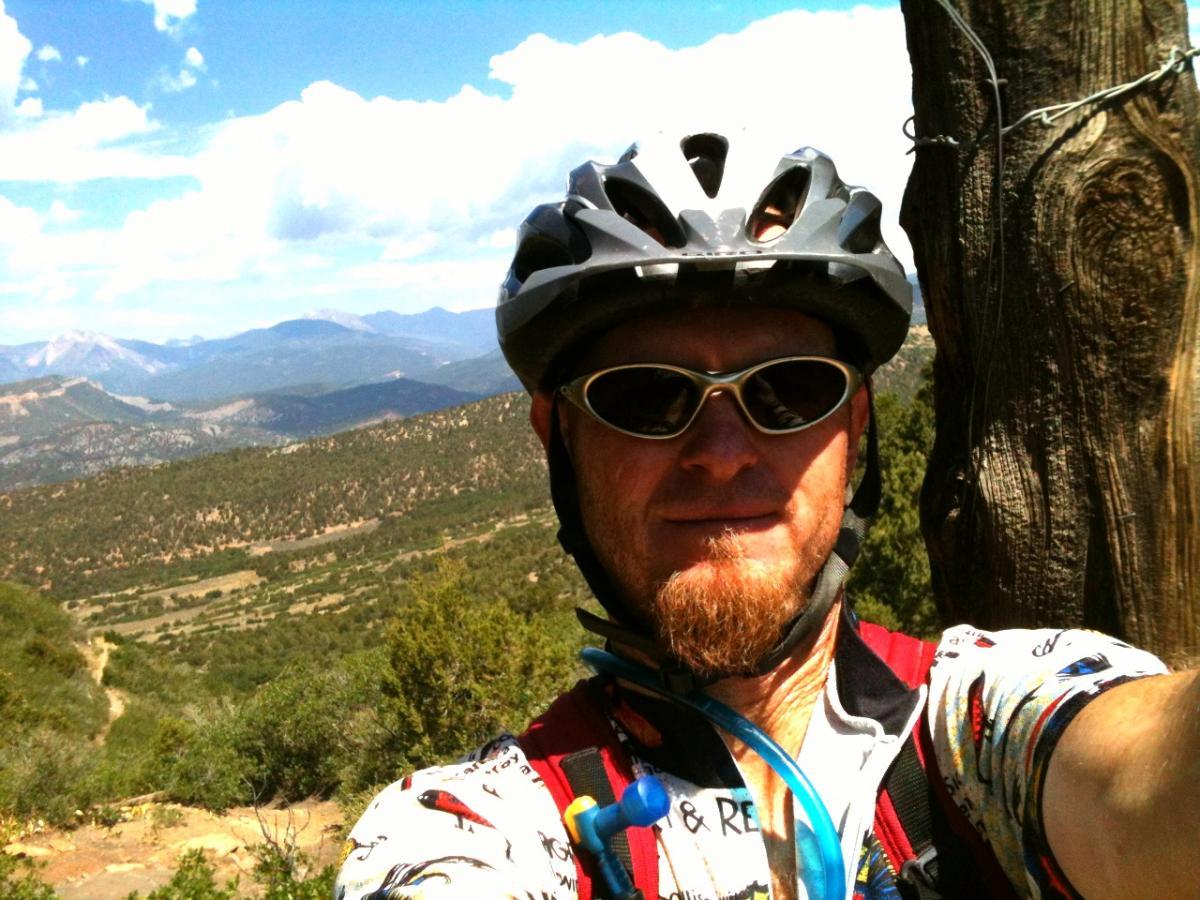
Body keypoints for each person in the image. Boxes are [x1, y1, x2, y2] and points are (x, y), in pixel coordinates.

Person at [335, 133, 1195, 900]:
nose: (722, 449)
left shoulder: (979, 730)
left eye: (789, 390)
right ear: (558, 439)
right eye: (645, 395)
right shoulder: (480, 825)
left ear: (856, 424)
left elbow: (1144, 784)